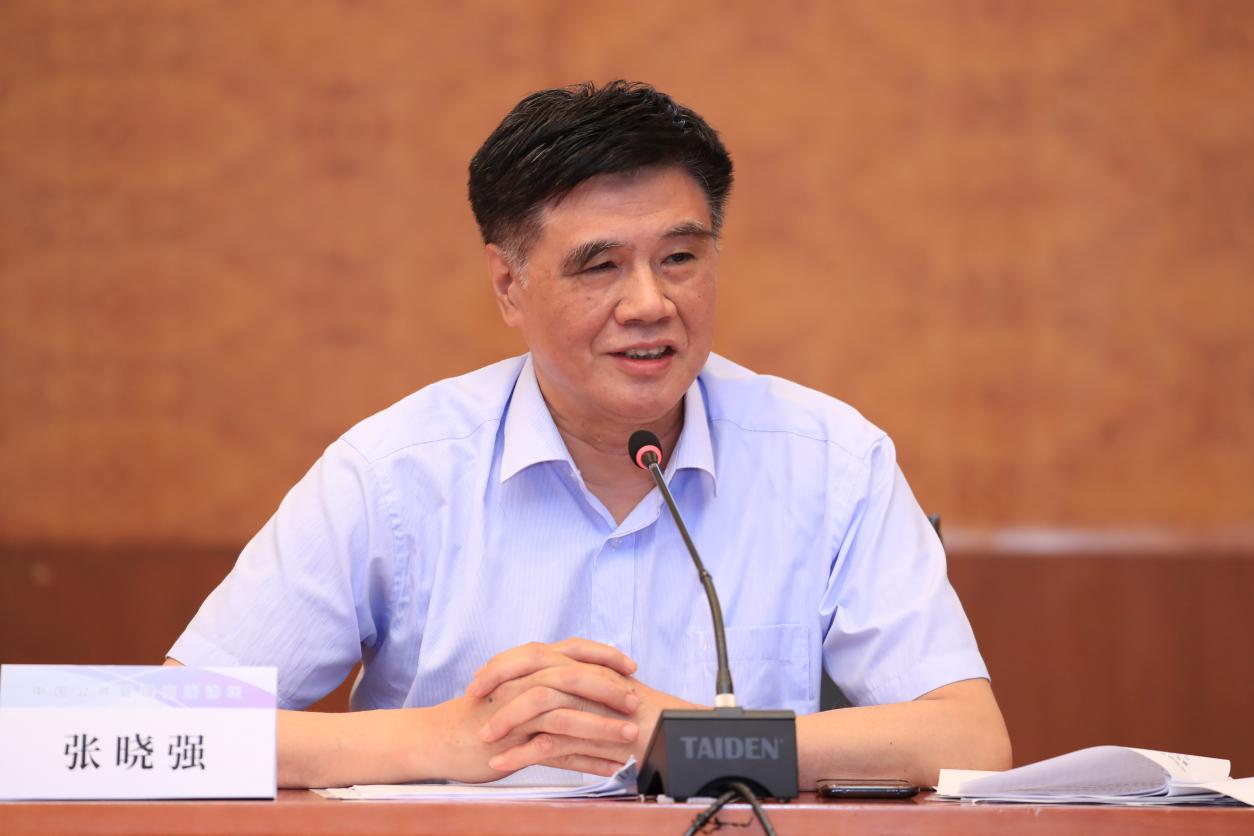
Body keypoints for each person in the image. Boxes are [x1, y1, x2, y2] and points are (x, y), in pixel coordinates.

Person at [167, 80, 1012, 789]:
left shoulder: (831, 462)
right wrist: (447, 739)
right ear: (508, 285)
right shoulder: (394, 472)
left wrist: (692, 741)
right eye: (599, 266)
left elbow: (970, 740)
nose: (649, 303)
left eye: (679, 258)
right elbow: (167, 728)